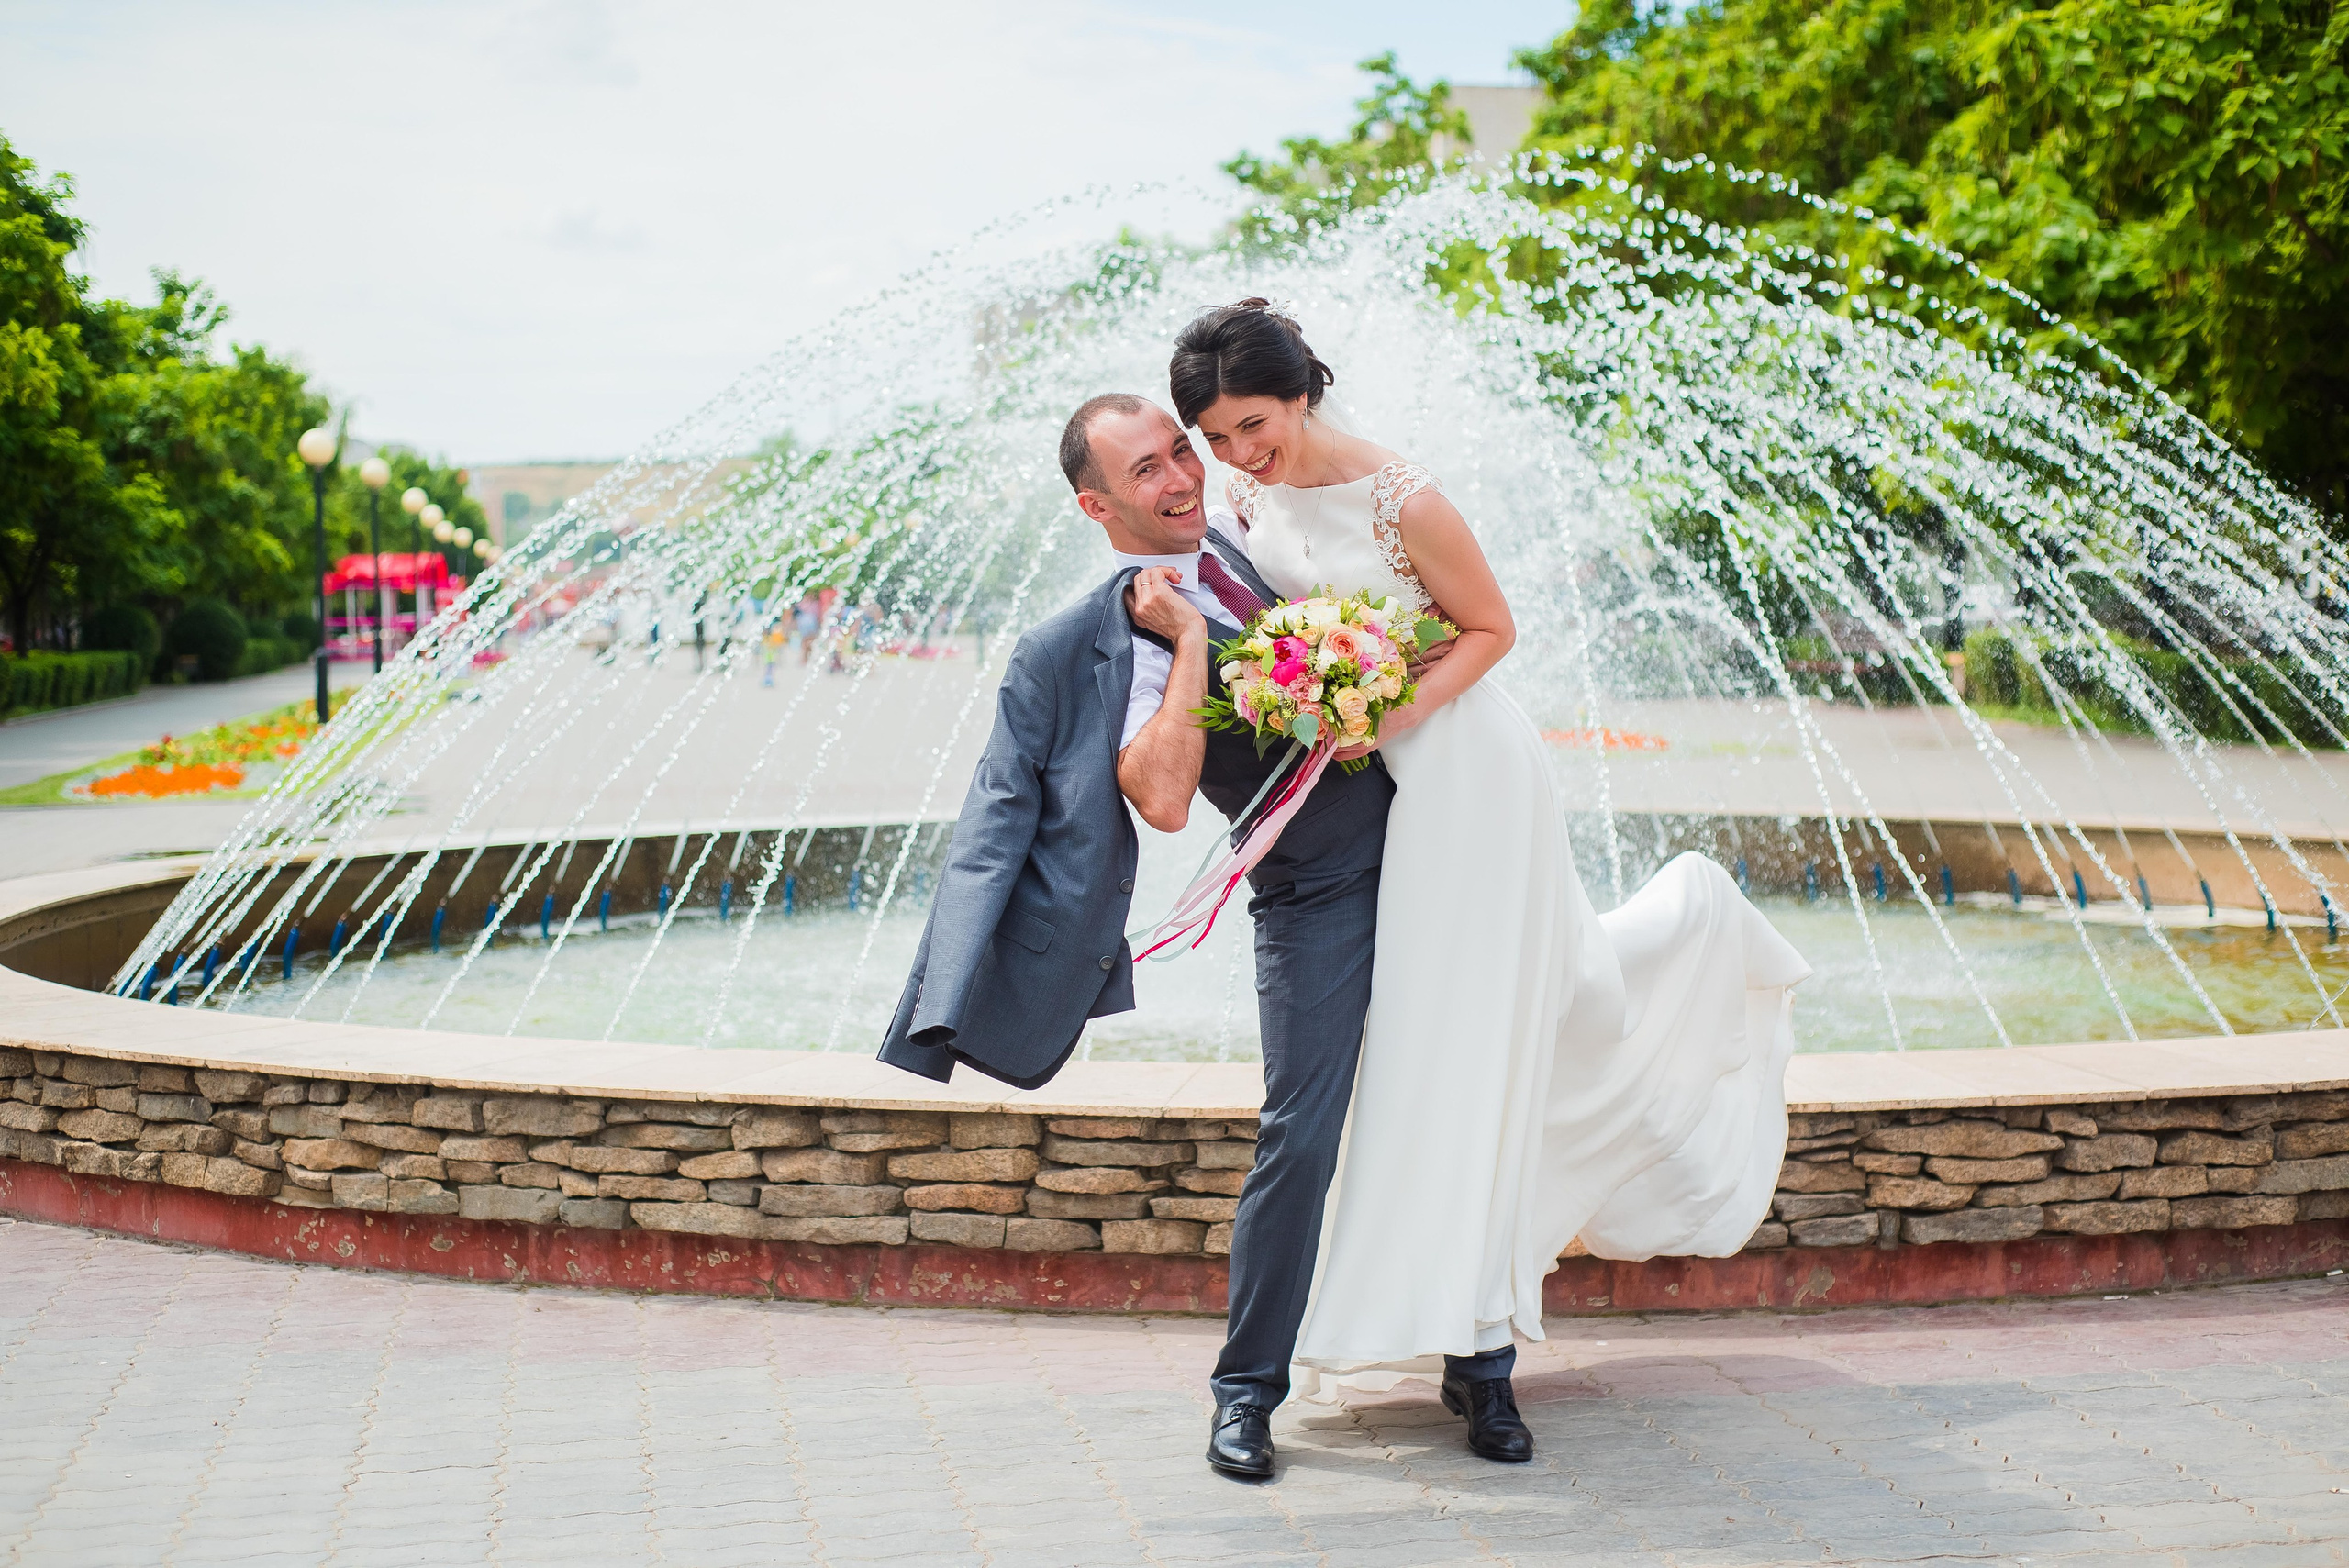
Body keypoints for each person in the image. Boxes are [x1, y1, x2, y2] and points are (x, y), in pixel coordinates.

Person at [1162, 299, 1808, 1462]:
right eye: (1214, 439)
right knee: (1383, 1079)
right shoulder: (1247, 501)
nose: (1237, 456)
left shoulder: (1405, 497)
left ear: (1300, 390)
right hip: (1361, 799)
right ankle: (1321, 1362)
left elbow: (1489, 627)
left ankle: (1486, 1359)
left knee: (1478, 1061)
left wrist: (1377, 705)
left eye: (1251, 425)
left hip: (1466, 782)